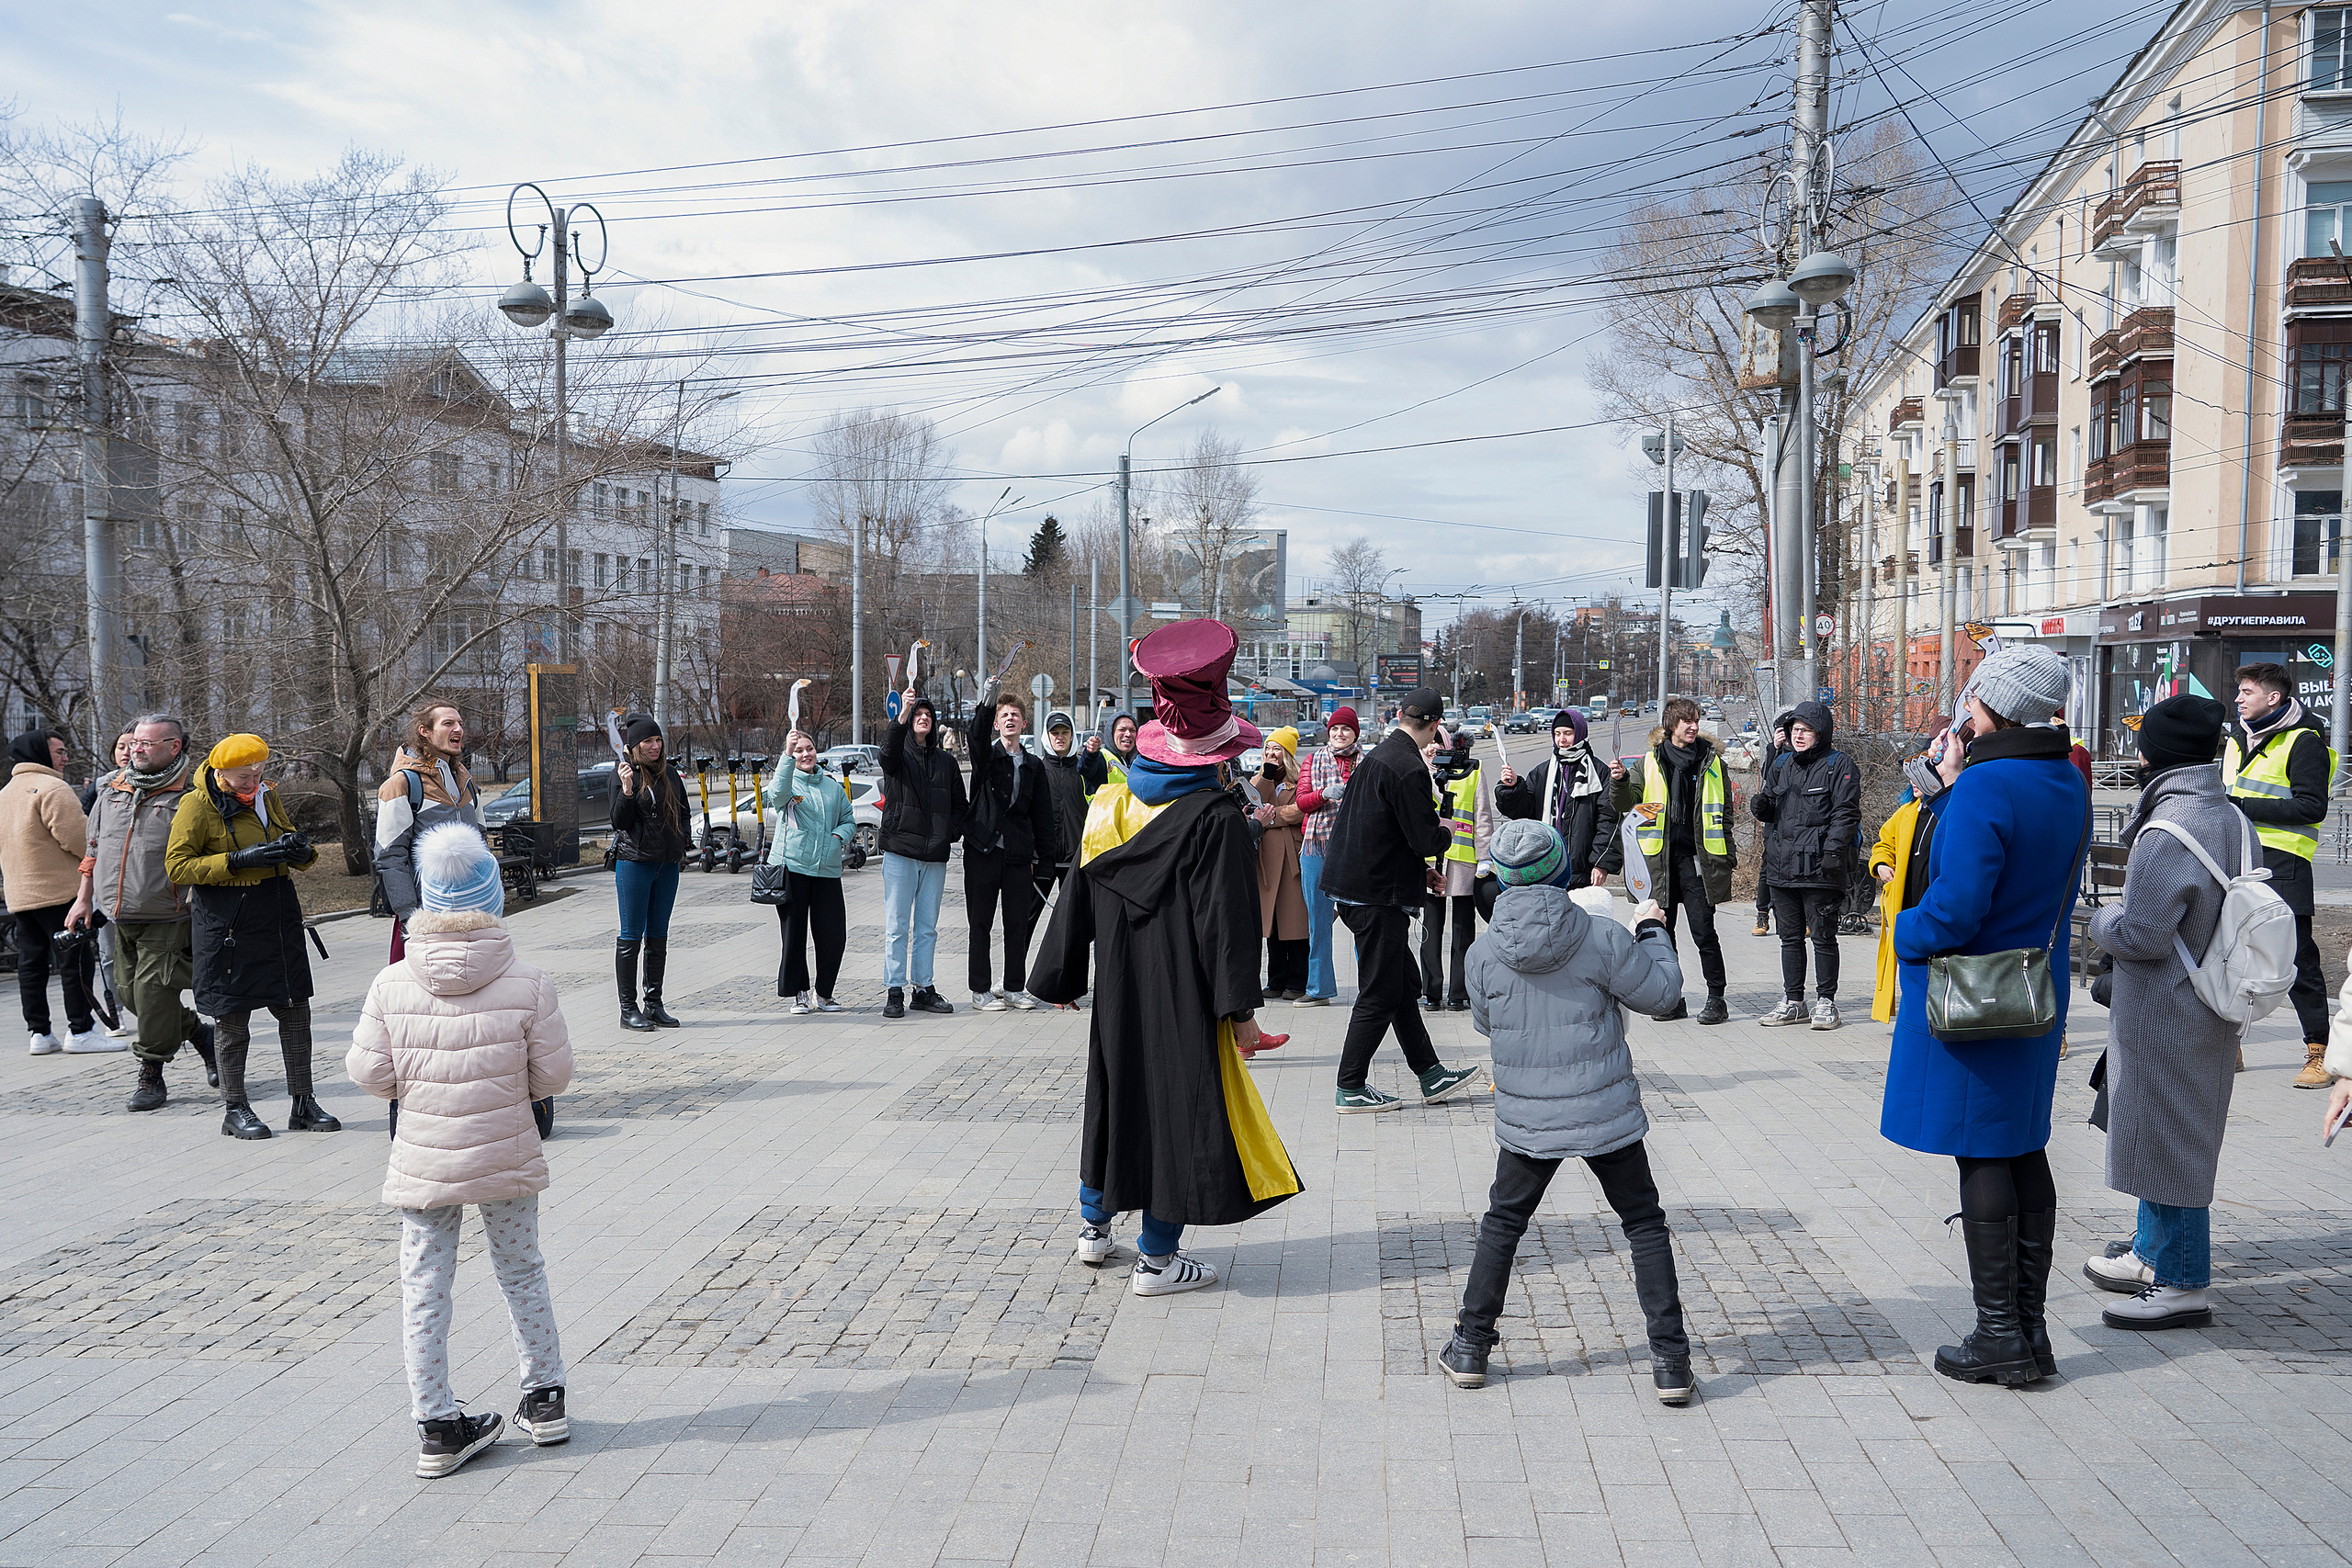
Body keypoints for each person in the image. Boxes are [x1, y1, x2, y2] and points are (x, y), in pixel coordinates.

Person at [1029, 619, 1300, 1297]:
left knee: (1114, 1093)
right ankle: (1156, 1256)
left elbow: (1078, 893)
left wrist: (1061, 974)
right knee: (1178, 1111)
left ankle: (1094, 1228)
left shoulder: (1111, 803)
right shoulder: (1217, 823)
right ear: (1213, 756)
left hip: (1118, 988)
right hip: (1184, 994)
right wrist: (1241, 1015)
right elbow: (1227, 929)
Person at [1879, 644, 2086, 1385]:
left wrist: (1900, 929)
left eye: (1971, 701)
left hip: (1975, 995)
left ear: (1995, 706)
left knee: (1984, 1154)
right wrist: (1944, 797)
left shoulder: (1987, 788)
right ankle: (2029, 1332)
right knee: (2024, 1148)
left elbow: (1956, 910)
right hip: (2032, 988)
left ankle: (1999, 1334)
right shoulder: (2062, 775)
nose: (1961, 714)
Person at [346, 822, 573, 1480]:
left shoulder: (392, 983)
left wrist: (412, 1085)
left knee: (423, 1285)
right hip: (504, 1150)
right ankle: (545, 1395)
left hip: (424, 1155)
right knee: (522, 1269)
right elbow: (552, 1076)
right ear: (493, 897)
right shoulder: (529, 981)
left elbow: (368, 1072)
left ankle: (438, 1423)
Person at [1438, 820, 1691, 1403]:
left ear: (1500, 879)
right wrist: (1652, 930)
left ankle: (1472, 1346)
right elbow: (1662, 997)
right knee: (1644, 1224)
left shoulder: (1481, 952)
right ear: (1559, 872)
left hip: (1528, 1118)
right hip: (1606, 1109)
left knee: (1503, 1223)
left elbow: (1485, 1021)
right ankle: (1671, 1362)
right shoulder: (1602, 935)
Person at [2080, 695, 2245, 1331]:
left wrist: (2101, 919)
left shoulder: (2168, 826)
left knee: (2174, 1143)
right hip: (2209, 1000)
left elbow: (2143, 933)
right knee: (2180, 1136)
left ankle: (2180, 1284)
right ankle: (2155, 1255)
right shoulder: (2224, 811)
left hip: (2169, 1008)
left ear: (2155, 753)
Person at [1318, 687, 1487, 1113]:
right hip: (1376, 897)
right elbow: (1423, 836)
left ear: (1398, 715)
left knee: (1401, 985)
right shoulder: (1409, 768)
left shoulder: (1378, 756)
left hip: (1359, 886)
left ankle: (1429, 1073)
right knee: (1379, 991)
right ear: (1435, 726)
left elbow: (1379, 832)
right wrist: (1446, 831)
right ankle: (1350, 1085)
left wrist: (1419, 871)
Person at [164, 734, 332, 1139]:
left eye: (258, 773)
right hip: (227, 926)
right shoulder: (196, 805)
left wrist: (299, 850)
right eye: (243, 776)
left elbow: (290, 839)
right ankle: (235, 1108)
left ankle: (303, 1103)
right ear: (221, 772)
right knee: (233, 1019)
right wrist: (238, 861)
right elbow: (177, 866)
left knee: (296, 1013)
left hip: (276, 915)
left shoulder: (266, 795)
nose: (252, 782)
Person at [71, 714, 216, 1109]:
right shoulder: (114, 788)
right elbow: (93, 850)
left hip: (168, 915)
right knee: (131, 997)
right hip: (118, 915)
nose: (137, 749)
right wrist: (83, 898)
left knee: (151, 995)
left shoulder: (195, 793)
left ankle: (151, 1074)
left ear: (174, 747)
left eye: (147, 744)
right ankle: (200, 1036)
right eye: (134, 742)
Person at [2222, 662, 2335, 1089]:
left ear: (2273, 697)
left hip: (2285, 862)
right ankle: (2229, 1043)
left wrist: (2241, 806)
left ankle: (2319, 1052)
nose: (2238, 699)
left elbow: (2312, 807)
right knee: (2232, 952)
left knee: (2298, 957)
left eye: (2246, 692)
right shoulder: (2237, 737)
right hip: (2238, 860)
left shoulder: (2304, 741)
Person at [1608, 698, 1737, 1025]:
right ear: (1671, 725)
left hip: (1698, 862)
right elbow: (1625, 803)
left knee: (1704, 932)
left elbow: (1724, 814)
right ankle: (1673, 999)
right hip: (1658, 863)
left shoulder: (1712, 762)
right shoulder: (1650, 762)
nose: (1694, 726)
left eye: (1696, 720)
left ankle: (1716, 999)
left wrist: (1728, 856)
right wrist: (1620, 781)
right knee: (1665, 934)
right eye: (1687, 721)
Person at [1749, 700, 1859, 1028]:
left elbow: (1846, 813)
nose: (1798, 735)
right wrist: (1762, 807)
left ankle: (1826, 1002)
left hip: (1820, 868)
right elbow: (1773, 808)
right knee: (1790, 938)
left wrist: (1834, 852)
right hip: (1781, 867)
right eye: (1795, 729)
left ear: (1820, 733)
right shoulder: (1781, 764)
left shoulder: (1838, 765)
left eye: (1806, 730)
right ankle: (1794, 1000)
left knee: (1823, 937)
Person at [0, 729, 107, 1055]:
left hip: (20, 894)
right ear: (40, 754)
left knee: (30, 965)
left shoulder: (5, 792)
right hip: (61, 893)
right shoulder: (52, 788)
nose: (65, 757)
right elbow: (79, 839)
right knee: (75, 960)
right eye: (59, 751)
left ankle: (39, 1034)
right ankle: (81, 1029)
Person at [963, 693, 1061, 1011]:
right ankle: (980, 990)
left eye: (1015, 715)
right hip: (983, 850)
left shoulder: (1034, 765)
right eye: (1004, 715)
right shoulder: (986, 758)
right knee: (980, 923)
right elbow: (975, 735)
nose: (1010, 719)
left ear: (1024, 722)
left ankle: (1013, 987)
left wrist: (1045, 862)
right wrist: (988, 699)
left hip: (1018, 854)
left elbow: (1043, 817)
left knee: (1017, 924)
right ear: (996, 723)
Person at [878, 694, 967, 1019]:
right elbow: (886, 751)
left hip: (935, 856)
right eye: (919, 713)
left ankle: (923, 988)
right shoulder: (898, 756)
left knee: (927, 927)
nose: (924, 718)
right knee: (897, 926)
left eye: (929, 714)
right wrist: (901, 712)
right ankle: (894, 990)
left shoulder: (946, 762)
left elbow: (961, 805)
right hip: (901, 851)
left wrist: (949, 832)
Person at [373, 702, 482, 964]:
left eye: (460, 724)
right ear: (424, 731)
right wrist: (411, 917)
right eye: (448, 723)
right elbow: (390, 857)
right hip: (427, 918)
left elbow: (482, 846)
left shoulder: (466, 782)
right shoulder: (401, 784)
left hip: (470, 913)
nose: (459, 729)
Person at [763, 731, 855, 1015]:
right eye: (799, 750)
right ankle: (799, 993)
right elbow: (776, 795)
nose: (806, 754)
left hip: (826, 869)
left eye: (810, 749)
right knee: (794, 935)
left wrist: (837, 838)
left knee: (834, 935)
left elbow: (848, 820)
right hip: (793, 867)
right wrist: (785, 756)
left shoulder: (832, 787)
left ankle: (824, 994)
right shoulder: (788, 783)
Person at [609, 716, 689, 1032]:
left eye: (658, 741)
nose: (655, 747)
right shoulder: (624, 773)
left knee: (659, 936)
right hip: (635, 864)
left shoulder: (669, 772)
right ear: (633, 747)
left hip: (667, 865)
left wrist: (682, 839)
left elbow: (683, 810)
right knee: (632, 937)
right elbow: (619, 822)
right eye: (647, 742)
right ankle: (628, 1009)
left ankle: (654, 1005)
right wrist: (627, 790)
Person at [1866, 745, 1953, 1026]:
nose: (1915, 783)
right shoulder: (1905, 813)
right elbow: (1883, 844)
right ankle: (1915, 1016)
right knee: (1909, 964)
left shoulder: (1950, 812)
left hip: (1935, 904)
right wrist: (1880, 865)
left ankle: (1936, 1014)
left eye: (1922, 775)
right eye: (1912, 778)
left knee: (1937, 964)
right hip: (1906, 905)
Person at [1494, 706, 1622, 886]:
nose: (1562, 740)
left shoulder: (1599, 773)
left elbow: (1608, 821)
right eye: (1557, 733)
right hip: (1544, 867)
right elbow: (1523, 814)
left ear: (1579, 734)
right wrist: (1513, 787)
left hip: (1582, 871)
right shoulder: (1542, 772)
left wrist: (1601, 863)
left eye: (1568, 733)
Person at [1293, 706, 1363, 1007]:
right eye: (1335, 729)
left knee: (1362, 919)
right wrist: (1325, 793)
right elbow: (1302, 801)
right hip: (1315, 848)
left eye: (1345, 729)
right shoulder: (1313, 759)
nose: (1339, 734)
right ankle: (1319, 989)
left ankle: (1372, 987)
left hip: (1355, 848)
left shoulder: (1367, 761)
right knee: (1318, 921)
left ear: (1355, 733)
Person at [1419, 736, 1488, 1011]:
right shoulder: (1415, 770)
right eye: (1427, 742)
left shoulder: (1472, 770)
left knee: (1463, 930)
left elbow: (1482, 815)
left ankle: (1459, 992)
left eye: (1437, 742)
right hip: (1428, 862)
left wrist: (1485, 857)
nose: (1431, 747)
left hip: (1462, 860)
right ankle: (1431, 992)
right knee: (1430, 928)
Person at [1252, 727, 1310, 1000]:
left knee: (1295, 921)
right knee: (1272, 922)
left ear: (1287, 753)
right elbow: (1253, 804)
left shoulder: (1300, 778)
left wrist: (1271, 818)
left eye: (1276, 749)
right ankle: (1275, 979)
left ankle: (1298, 980)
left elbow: (1301, 809)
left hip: (1291, 858)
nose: (1271, 753)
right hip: (1266, 860)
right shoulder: (1260, 777)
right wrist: (1265, 774)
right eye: (1268, 748)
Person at [1035, 711, 1105, 901]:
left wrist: (1092, 754)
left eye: (1065, 732)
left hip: (1075, 858)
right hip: (1042, 859)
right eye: (1055, 733)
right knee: (1026, 919)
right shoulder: (1037, 769)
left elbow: (1093, 770)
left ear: (1072, 735)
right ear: (1046, 735)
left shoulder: (1082, 768)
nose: (1060, 737)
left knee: (1074, 921)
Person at [1752, 708, 1795, 936]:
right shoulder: (1775, 751)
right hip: (1774, 819)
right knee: (1768, 867)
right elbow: (1768, 778)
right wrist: (1775, 747)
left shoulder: (1804, 751)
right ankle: (1762, 915)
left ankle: (1790, 917)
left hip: (1797, 820)